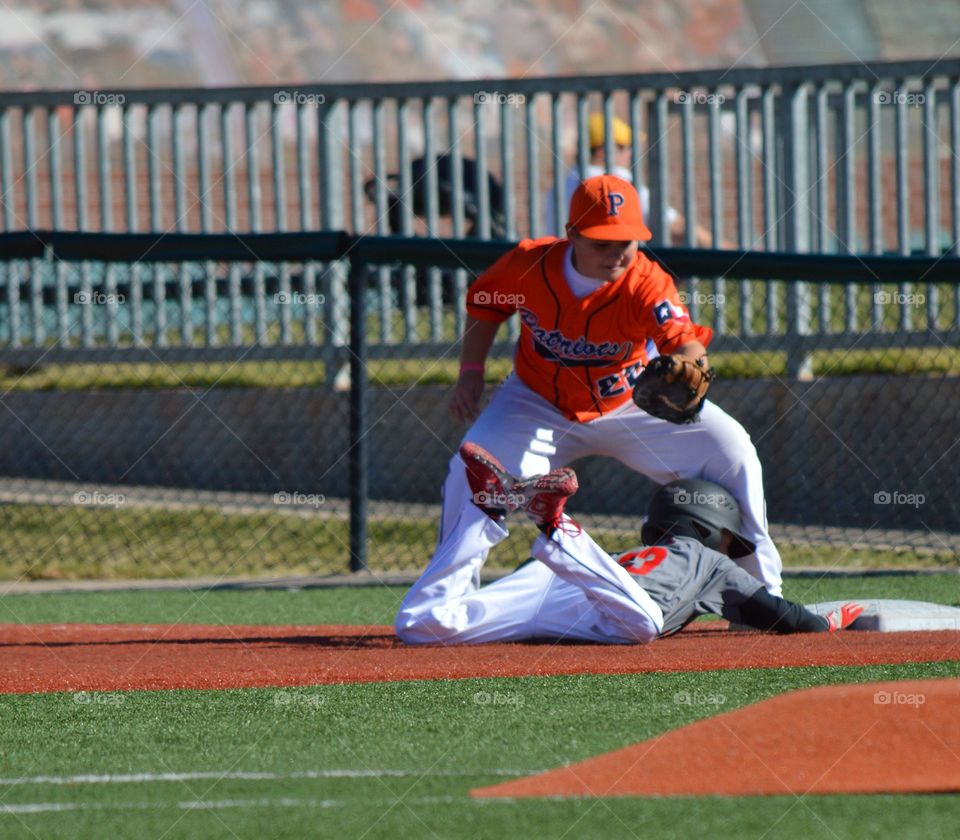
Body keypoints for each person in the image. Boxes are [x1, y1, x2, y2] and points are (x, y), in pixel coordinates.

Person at [445, 173, 783, 598]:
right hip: (535, 403)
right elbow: (484, 305)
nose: (615, 254)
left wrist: (692, 364)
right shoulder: (528, 264)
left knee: (733, 451)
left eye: (625, 242)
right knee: (469, 472)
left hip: (633, 404)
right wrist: (471, 372)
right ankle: (447, 598)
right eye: (600, 242)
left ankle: (760, 594)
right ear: (572, 235)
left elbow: (685, 340)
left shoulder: (646, 281)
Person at [395, 445, 863, 644]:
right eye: (725, 537)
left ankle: (484, 514)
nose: (727, 548)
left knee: (420, 625)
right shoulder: (709, 562)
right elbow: (782, 616)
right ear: (706, 529)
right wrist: (826, 622)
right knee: (643, 623)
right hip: (610, 598)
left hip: (557, 583)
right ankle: (556, 524)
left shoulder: (626, 554)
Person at [544, 113, 714, 247]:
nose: (630, 154)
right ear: (604, 150)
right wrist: (720, 247)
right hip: (610, 278)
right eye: (625, 147)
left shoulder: (562, 183)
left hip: (563, 272)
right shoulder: (616, 179)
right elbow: (671, 224)